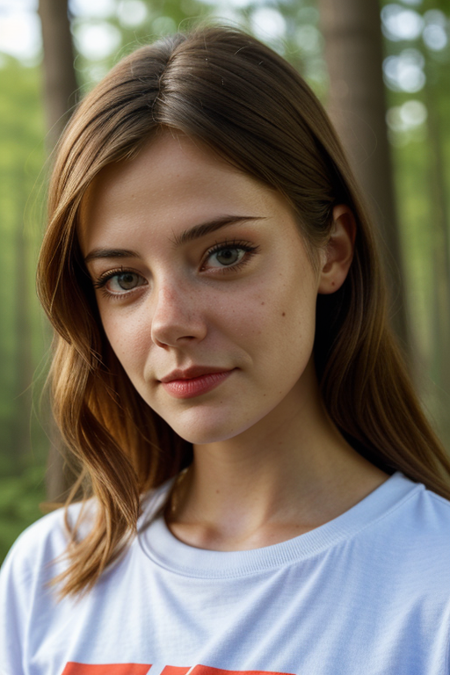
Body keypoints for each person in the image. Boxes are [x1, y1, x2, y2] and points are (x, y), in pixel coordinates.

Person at [1, 24, 450, 675]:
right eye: (123, 278)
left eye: (224, 254)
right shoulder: (46, 575)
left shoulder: (432, 588)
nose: (169, 322)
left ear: (333, 251)